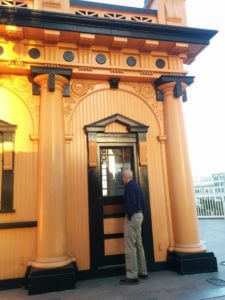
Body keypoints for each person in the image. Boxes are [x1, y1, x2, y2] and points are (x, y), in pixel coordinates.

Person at [120, 169, 148, 285]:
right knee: (138, 244)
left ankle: (132, 275)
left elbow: (130, 204)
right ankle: (143, 272)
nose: (122, 180)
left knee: (130, 246)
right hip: (140, 216)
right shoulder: (136, 186)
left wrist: (129, 216)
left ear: (124, 177)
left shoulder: (129, 187)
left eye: (122, 178)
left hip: (132, 218)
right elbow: (142, 202)